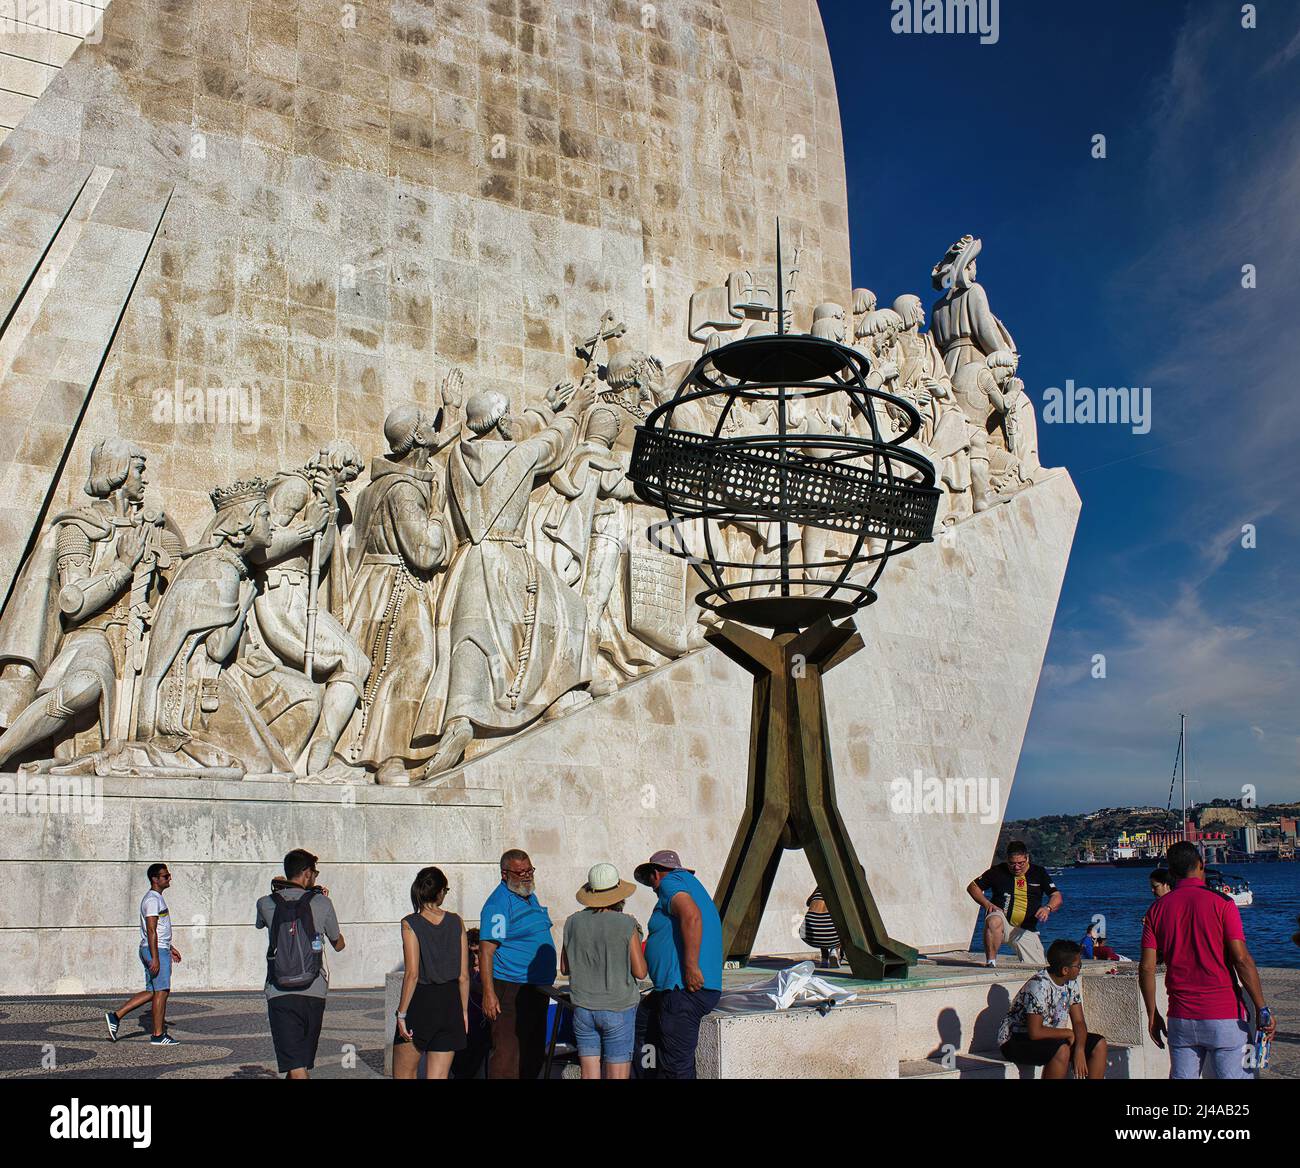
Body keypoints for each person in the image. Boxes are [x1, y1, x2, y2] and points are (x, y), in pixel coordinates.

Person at [1139, 841, 1276, 1080]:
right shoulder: (1223, 904)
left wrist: (1152, 1013)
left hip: (1180, 1017)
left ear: (1171, 873)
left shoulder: (1156, 910)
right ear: (1201, 865)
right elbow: (1241, 960)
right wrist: (1261, 1008)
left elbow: (1147, 967)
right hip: (1225, 1016)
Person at [255, 849, 345, 1079]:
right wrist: (321, 900)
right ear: (306, 873)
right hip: (313, 990)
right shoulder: (322, 902)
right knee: (299, 1063)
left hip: (279, 990)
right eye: (314, 872)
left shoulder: (265, 903)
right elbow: (338, 944)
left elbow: (261, 923)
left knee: (296, 1064)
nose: (315, 876)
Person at [633, 849, 723, 1080]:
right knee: (644, 1024)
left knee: (677, 1066)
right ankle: (649, 1072)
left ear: (655, 874)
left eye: (650, 882)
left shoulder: (670, 883)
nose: (652, 889)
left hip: (683, 989)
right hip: (672, 989)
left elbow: (691, 916)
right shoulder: (689, 884)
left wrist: (691, 968)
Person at [560, 863, 647, 1079]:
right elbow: (640, 971)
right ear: (619, 895)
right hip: (618, 1008)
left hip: (583, 1009)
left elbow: (564, 968)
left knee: (589, 1075)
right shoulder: (627, 924)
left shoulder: (572, 922)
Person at [478, 849, 557, 1079]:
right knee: (507, 1055)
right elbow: (486, 951)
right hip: (509, 989)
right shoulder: (499, 904)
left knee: (531, 1053)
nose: (526, 876)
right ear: (504, 874)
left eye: (529, 870)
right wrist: (489, 994)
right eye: (520, 872)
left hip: (535, 988)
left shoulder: (528, 894)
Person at [393, 866, 468, 1079]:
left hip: (422, 1003)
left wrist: (401, 1014)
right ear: (440, 891)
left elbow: (412, 974)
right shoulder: (456, 921)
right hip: (450, 1003)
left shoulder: (411, 923)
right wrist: (463, 1012)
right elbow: (463, 975)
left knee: (404, 1074)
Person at [998, 940, 1108, 1079]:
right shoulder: (1038, 986)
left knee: (1099, 1044)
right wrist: (1067, 1034)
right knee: (1062, 1050)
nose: (1080, 967)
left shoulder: (1070, 983)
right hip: (1016, 1040)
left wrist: (1079, 1050)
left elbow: (1079, 1021)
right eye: (1078, 965)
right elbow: (1035, 1032)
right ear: (1065, 970)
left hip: (1051, 1037)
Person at [104, 863, 181, 1045]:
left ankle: (115, 1016)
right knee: (162, 991)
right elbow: (152, 930)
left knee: (152, 991)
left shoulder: (156, 899)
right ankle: (157, 1035)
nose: (169, 878)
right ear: (155, 879)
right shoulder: (153, 900)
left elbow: (159, 931)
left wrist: (170, 947)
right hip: (155, 950)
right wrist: (155, 957)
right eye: (165, 876)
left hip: (159, 948)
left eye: (168, 875)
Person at [967, 841, 1061, 966]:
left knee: (1038, 968)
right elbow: (973, 887)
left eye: (1020, 863)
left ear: (1027, 858)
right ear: (1007, 860)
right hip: (1002, 921)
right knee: (993, 920)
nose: (1016, 867)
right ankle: (991, 962)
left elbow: (1056, 896)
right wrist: (987, 904)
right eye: (1012, 863)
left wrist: (1047, 908)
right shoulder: (997, 871)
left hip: (1025, 929)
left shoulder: (1038, 872)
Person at [802, 888, 842, 967]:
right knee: (844, 930)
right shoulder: (839, 889)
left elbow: (807, 903)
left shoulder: (819, 887)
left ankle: (824, 959)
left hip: (808, 934)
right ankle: (834, 950)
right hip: (830, 934)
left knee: (820, 925)